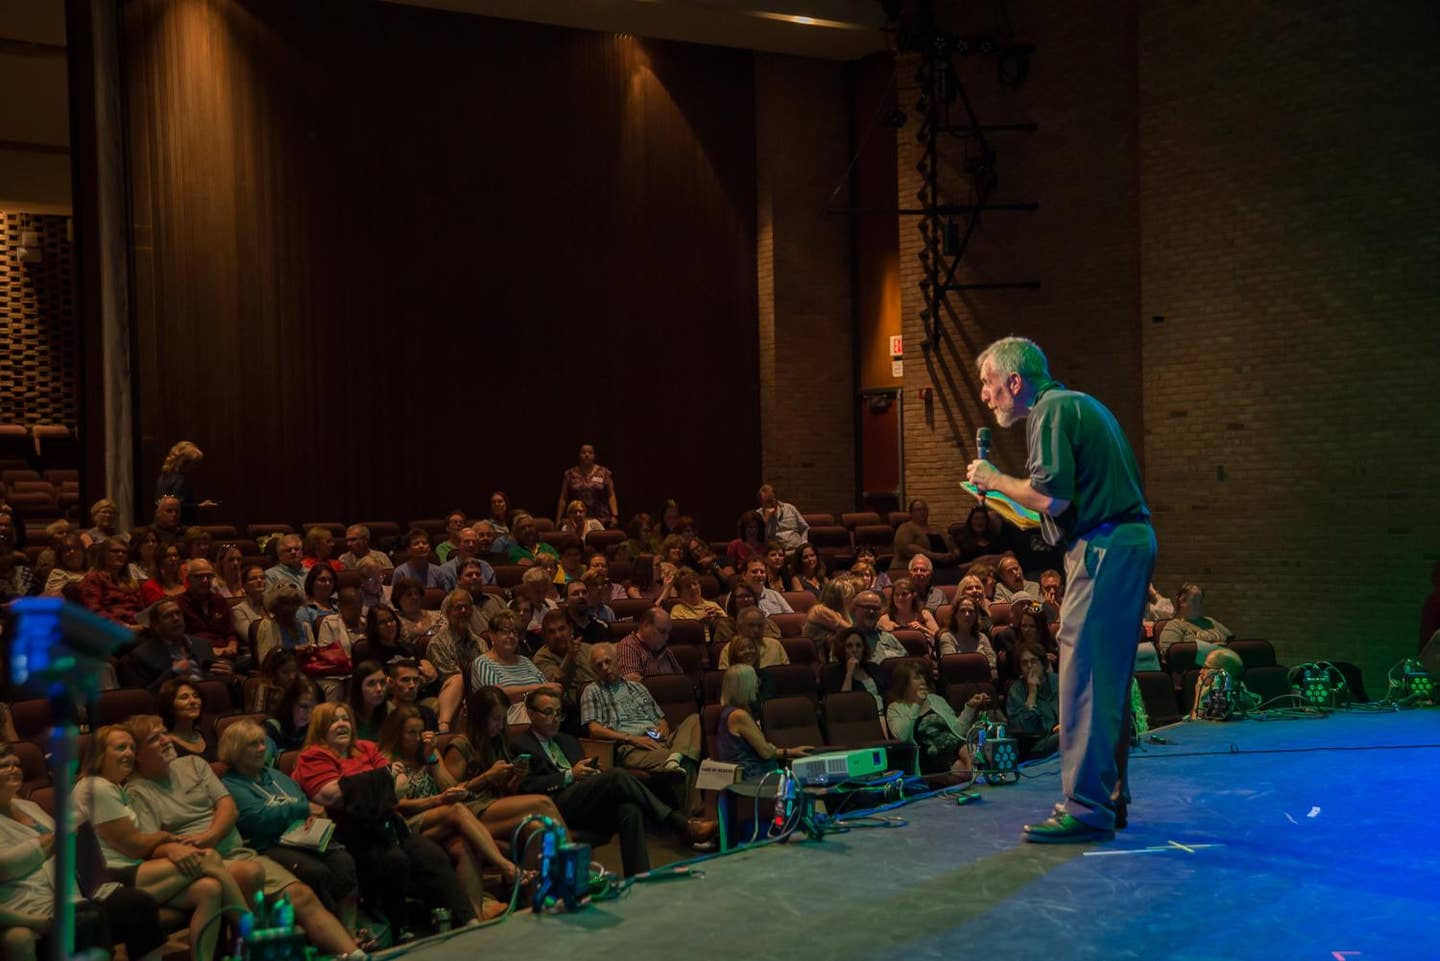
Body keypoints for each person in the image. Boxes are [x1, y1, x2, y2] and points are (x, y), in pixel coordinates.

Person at [966, 335, 1155, 842]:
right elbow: (1062, 503)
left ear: (1014, 381)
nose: (986, 397)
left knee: (1085, 677)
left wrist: (995, 478)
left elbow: (1051, 499)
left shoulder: (1050, 411)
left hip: (1105, 548)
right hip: (1123, 541)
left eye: (988, 385)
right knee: (1106, 679)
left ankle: (1086, 807)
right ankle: (1107, 799)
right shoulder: (1080, 405)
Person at [121, 715, 363, 959]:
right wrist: (201, 845)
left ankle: (355, 954)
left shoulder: (194, 764)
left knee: (301, 895)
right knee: (249, 874)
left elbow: (228, 807)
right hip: (195, 863)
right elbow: (153, 845)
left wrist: (210, 835)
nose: (165, 740)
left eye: (164, 732)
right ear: (137, 754)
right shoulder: (137, 790)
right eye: (154, 738)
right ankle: (256, 948)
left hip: (236, 851)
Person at [289, 704, 475, 936]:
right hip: (347, 835)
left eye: (345, 719)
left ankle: (468, 921)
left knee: (431, 854)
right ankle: (400, 930)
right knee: (394, 861)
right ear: (320, 728)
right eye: (333, 721)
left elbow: (401, 785)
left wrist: (360, 789)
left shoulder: (366, 748)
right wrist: (383, 779)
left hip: (386, 826)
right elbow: (328, 795)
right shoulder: (313, 756)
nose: (341, 724)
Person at [513, 689, 714, 877]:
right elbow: (527, 786)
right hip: (553, 806)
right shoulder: (521, 744)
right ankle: (682, 825)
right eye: (548, 713)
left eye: (558, 713)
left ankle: (638, 877)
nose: (555, 719)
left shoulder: (568, 741)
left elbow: (585, 778)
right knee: (617, 776)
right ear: (530, 714)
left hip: (583, 801)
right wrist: (569, 776)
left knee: (629, 807)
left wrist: (591, 774)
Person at [0, 743, 168, 961]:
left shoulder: (29, 806)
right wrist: (50, 842)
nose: (15, 769)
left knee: (138, 904)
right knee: (88, 918)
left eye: (17, 764)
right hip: (31, 902)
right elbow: (5, 866)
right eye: (5, 765)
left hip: (74, 888)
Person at [218, 720, 362, 932]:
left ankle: (349, 930)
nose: (261, 749)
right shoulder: (231, 785)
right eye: (252, 744)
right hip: (269, 844)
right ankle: (331, 935)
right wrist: (302, 810)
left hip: (303, 837)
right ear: (236, 750)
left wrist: (310, 816)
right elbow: (258, 818)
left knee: (344, 862)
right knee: (315, 872)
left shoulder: (276, 776)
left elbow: (304, 801)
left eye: (262, 742)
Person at [375, 707, 514, 920]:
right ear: (397, 734)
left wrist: (432, 759)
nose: (418, 737)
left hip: (437, 818)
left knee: (465, 847)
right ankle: (505, 866)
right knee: (458, 810)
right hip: (407, 824)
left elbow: (451, 785)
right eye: (411, 733)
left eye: (421, 732)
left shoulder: (428, 755)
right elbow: (396, 805)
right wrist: (437, 800)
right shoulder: (385, 760)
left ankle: (473, 918)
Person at [439, 685, 563, 842]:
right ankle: (575, 859)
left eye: (504, 719)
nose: (501, 725)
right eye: (496, 719)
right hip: (470, 808)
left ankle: (556, 864)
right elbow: (450, 794)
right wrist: (487, 777)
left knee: (538, 828)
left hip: (495, 802)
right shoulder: (460, 746)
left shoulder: (498, 741)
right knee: (542, 803)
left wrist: (517, 777)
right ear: (480, 718)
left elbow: (506, 790)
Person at [582, 642, 702, 777]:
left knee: (695, 719)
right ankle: (676, 756)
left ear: (617, 661)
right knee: (687, 761)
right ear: (594, 670)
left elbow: (660, 719)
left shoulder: (637, 687)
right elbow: (594, 729)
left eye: (608, 661)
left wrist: (663, 726)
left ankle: (676, 755)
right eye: (599, 665)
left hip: (658, 740)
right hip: (630, 748)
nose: (605, 667)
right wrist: (631, 738)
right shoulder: (592, 691)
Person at [885, 662, 985, 778]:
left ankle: (976, 780)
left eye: (923, 677)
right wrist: (917, 704)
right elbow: (902, 736)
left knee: (970, 753)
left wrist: (970, 707)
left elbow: (958, 730)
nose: (923, 681)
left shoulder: (936, 700)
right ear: (904, 683)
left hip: (954, 743)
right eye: (917, 678)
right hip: (931, 753)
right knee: (963, 769)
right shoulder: (895, 708)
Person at [714, 665, 814, 780]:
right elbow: (766, 752)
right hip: (753, 778)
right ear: (745, 686)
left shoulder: (730, 711)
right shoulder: (738, 715)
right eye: (755, 681)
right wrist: (771, 748)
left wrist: (790, 751)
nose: (758, 685)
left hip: (751, 774)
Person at [427, 590, 490, 731]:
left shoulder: (480, 642)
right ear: (448, 613)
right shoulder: (438, 643)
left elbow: (487, 671)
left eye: (467, 607)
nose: (463, 611)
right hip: (450, 696)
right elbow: (450, 678)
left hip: (479, 692)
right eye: (458, 607)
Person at [124, 597, 219, 690]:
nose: (176, 618)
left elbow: (213, 679)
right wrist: (172, 673)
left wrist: (230, 676)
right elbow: (144, 697)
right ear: (156, 625)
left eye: (178, 613)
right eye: (168, 616)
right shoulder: (141, 656)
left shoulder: (203, 645)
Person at [469, 610, 556, 706]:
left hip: (540, 712)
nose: (511, 636)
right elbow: (496, 695)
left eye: (515, 632)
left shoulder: (525, 661)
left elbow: (550, 688)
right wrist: (537, 689)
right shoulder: (483, 662)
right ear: (492, 635)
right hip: (506, 718)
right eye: (505, 631)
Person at [532, 609, 596, 728]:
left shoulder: (587, 649)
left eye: (561, 629)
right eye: (551, 632)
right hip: (572, 714)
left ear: (570, 629)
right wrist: (569, 657)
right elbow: (555, 687)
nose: (557, 635)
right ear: (545, 636)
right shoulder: (541, 658)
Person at [176, 558, 243, 673]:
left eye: (209, 576)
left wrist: (232, 646)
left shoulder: (219, 600)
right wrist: (211, 650)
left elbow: (230, 632)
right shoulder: (180, 603)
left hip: (227, 654)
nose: (205, 580)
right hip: (199, 657)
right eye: (199, 577)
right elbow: (181, 639)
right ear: (188, 579)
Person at [1006, 642, 1061, 759]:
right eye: (1024, 663)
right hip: (1037, 745)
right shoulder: (1016, 691)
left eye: (1034, 661)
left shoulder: (1057, 681)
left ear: (1043, 664)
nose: (1030, 666)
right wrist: (1032, 693)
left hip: (1063, 734)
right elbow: (1025, 729)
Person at [1157, 583, 1234, 660]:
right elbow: (1171, 655)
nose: (1199, 604)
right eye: (1195, 600)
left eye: (1200, 600)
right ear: (1182, 602)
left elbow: (1232, 642)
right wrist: (1214, 649)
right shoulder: (1174, 626)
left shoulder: (1211, 621)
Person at [78, 539, 145, 626]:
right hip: (110, 630)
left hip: (138, 628)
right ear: (103, 555)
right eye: (115, 551)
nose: (120, 554)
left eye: (124, 552)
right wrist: (125, 626)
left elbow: (141, 610)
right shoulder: (94, 578)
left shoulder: (131, 582)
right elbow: (94, 611)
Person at [556, 444, 619, 528]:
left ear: (594, 456)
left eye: (590, 452)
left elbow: (611, 495)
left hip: (602, 520)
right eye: (584, 452)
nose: (587, 455)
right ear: (579, 455)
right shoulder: (570, 474)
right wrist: (558, 519)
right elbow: (563, 498)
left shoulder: (604, 473)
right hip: (577, 519)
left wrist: (614, 515)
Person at [890, 499, 958, 574]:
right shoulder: (906, 527)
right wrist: (936, 556)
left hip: (945, 567)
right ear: (911, 513)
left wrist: (954, 553)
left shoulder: (936, 528)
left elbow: (950, 542)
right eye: (918, 510)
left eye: (924, 509)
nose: (922, 512)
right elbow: (905, 547)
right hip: (916, 570)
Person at [841, 590, 910, 666]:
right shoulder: (844, 639)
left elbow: (907, 665)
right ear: (854, 610)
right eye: (867, 607)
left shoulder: (888, 638)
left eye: (875, 608)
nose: (871, 611)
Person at [155, 441, 216, 526]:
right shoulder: (179, 480)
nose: (195, 468)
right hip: (181, 526)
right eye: (194, 463)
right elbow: (177, 506)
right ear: (184, 462)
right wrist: (200, 506)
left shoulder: (164, 476)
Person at [936, 595, 998, 677]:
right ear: (955, 615)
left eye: (971, 611)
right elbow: (950, 665)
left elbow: (992, 663)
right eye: (962, 611)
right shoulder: (947, 637)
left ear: (976, 616)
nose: (967, 614)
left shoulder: (982, 637)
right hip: (958, 682)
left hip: (982, 680)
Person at [614, 608, 684, 680]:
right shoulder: (628, 647)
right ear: (646, 625)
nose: (666, 637)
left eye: (668, 633)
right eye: (662, 632)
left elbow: (681, 679)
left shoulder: (665, 649)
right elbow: (633, 686)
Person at [821, 631, 883, 709]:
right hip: (857, 717)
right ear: (842, 649)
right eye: (849, 646)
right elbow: (842, 706)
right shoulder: (832, 674)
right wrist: (849, 673)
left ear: (864, 649)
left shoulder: (874, 668)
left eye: (858, 646)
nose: (854, 650)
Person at [256, 583, 316, 662]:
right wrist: (293, 651)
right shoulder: (267, 626)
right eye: (286, 603)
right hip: (281, 672)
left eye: (294, 603)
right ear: (275, 606)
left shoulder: (305, 626)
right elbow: (265, 660)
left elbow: (315, 654)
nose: (291, 607)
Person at [157, 678, 213, 761]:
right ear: (170, 706)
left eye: (196, 696)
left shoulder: (208, 734)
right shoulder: (166, 744)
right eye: (184, 697)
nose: (193, 701)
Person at [716, 608, 789, 669]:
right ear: (739, 628)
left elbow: (786, 673)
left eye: (760, 626)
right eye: (751, 625)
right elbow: (726, 679)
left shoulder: (775, 645)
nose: (756, 630)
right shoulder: (729, 649)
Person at [264, 677, 321, 754]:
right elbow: (263, 764)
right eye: (304, 706)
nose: (309, 713)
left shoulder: (311, 729)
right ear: (290, 704)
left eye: (314, 708)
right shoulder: (271, 728)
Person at [805, 578, 855, 661]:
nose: (852, 601)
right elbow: (851, 630)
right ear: (838, 598)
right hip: (816, 661)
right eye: (850, 597)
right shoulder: (820, 611)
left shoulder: (837, 613)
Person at [880, 577, 940, 643]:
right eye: (896, 594)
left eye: (904, 594)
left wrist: (923, 629)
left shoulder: (924, 615)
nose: (900, 598)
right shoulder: (886, 618)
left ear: (913, 595)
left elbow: (940, 638)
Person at [390, 577, 443, 649]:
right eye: (409, 594)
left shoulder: (437, 615)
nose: (414, 597)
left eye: (416, 593)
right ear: (398, 599)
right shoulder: (395, 621)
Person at [757, 484, 808, 550]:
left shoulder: (789, 508)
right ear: (761, 502)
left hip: (796, 549)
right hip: (776, 553)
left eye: (773, 499)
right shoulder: (758, 514)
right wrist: (765, 520)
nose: (772, 503)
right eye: (768, 501)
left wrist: (804, 543)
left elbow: (805, 527)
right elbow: (759, 538)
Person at [349, 661, 390, 740]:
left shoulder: (391, 712)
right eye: (371, 683)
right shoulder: (347, 715)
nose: (379, 689)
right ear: (358, 688)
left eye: (382, 682)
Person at [139, 542, 186, 607]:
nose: (173, 559)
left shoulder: (186, 583)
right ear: (160, 561)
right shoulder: (150, 587)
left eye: (175, 555)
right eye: (168, 556)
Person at [231, 563, 270, 641]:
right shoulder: (238, 610)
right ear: (244, 585)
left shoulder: (275, 604)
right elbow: (251, 637)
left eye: (262, 577)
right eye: (253, 578)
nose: (259, 581)